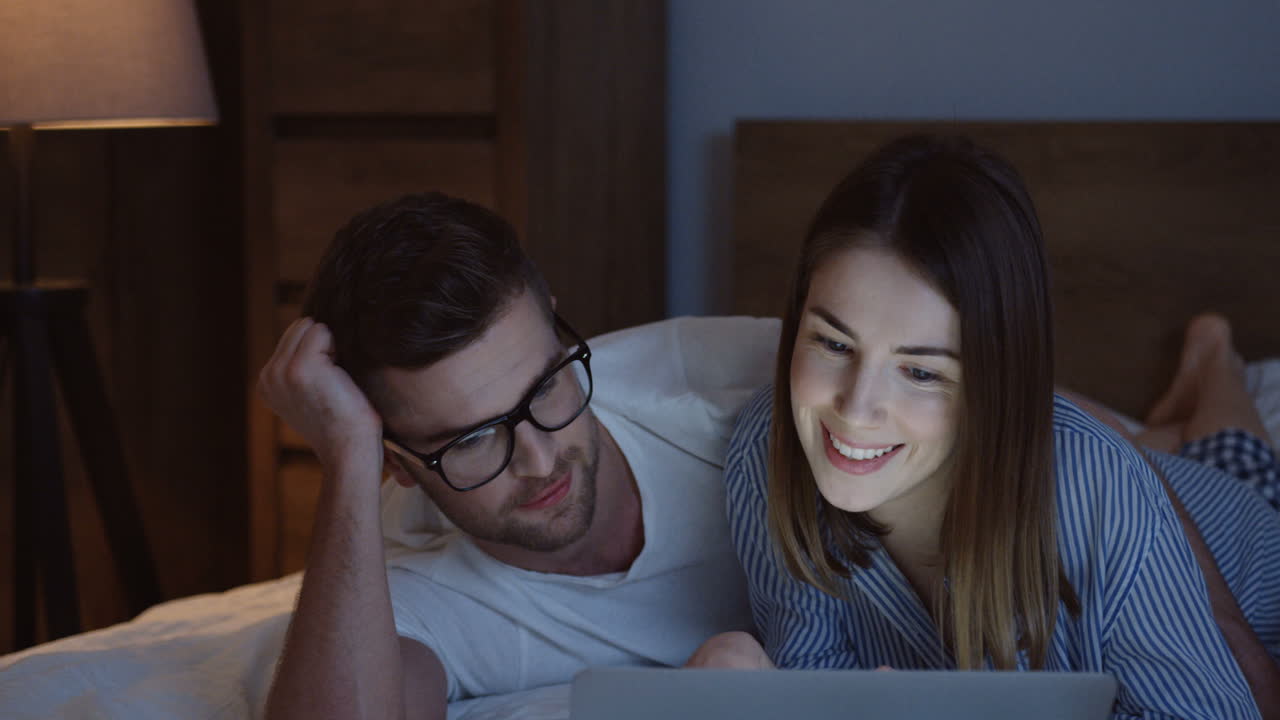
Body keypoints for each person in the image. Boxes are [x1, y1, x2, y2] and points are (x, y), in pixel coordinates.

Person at [689, 135, 1280, 719]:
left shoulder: (1096, 492)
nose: (856, 408)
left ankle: (1214, 359)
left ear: (995, 385)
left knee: (1235, 457)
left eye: (920, 371)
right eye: (833, 342)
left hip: (1247, 551)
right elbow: (811, 672)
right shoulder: (767, 451)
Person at [257, 193, 773, 720]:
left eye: (546, 386)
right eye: (473, 439)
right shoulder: (405, 583)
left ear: (553, 322)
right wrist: (347, 461)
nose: (539, 459)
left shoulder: (719, 381)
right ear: (396, 462)